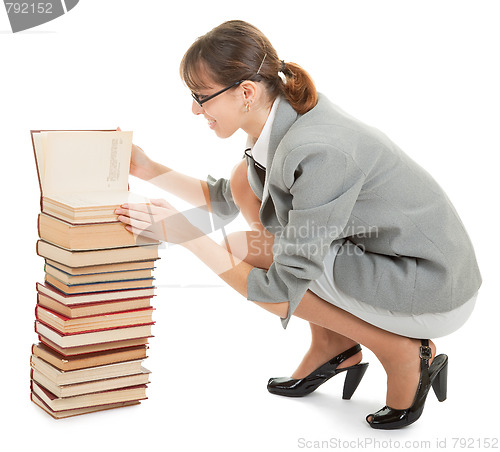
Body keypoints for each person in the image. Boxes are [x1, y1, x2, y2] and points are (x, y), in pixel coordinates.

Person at [114, 20, 482, 429]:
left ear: (246, 93)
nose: (195, 110)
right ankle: (333, 342)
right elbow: (226, 200)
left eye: (201, 98)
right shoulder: (282, 120)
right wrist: (148, 170)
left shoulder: (317, 149)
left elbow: (279, 289)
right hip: (391, 258)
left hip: (430, 287)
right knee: (243, 183)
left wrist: (186, 236)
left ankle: (398, 349)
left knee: (242, 249)